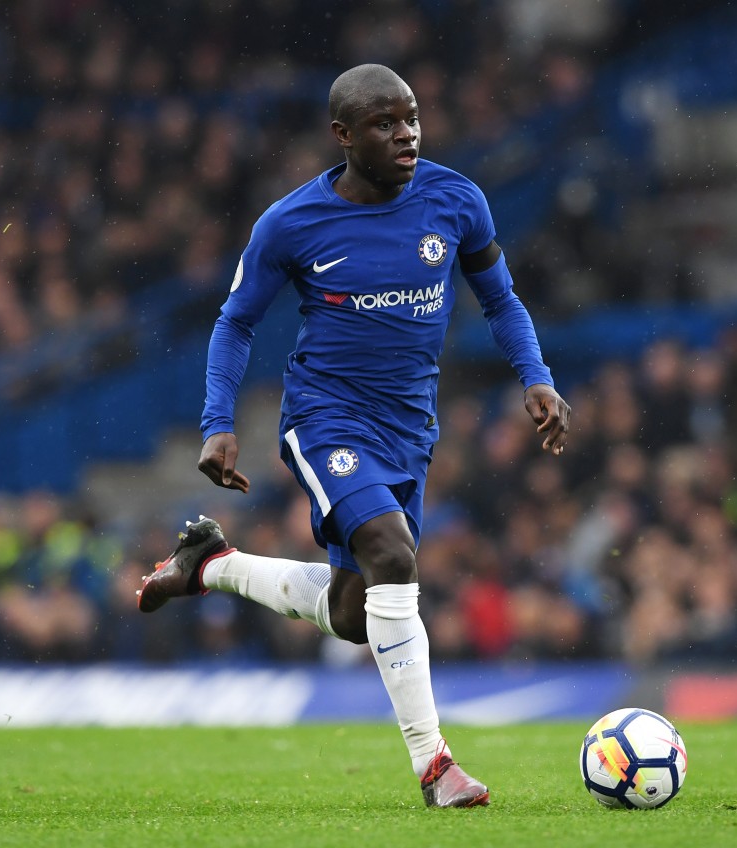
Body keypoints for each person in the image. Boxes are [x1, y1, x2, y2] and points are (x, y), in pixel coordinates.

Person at [137, 63, 571, 808]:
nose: (405, 135)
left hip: (410, 429)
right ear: (342, 135)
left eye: (411, 119)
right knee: (392, 553)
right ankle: (437, 768)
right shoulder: (291, 224)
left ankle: (211, 563)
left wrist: (535, 374)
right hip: (326, 416)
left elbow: (500, 298)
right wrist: (218, 423)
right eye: (384, 124)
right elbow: (235, 321)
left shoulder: (455, 199)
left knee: (352, 611)